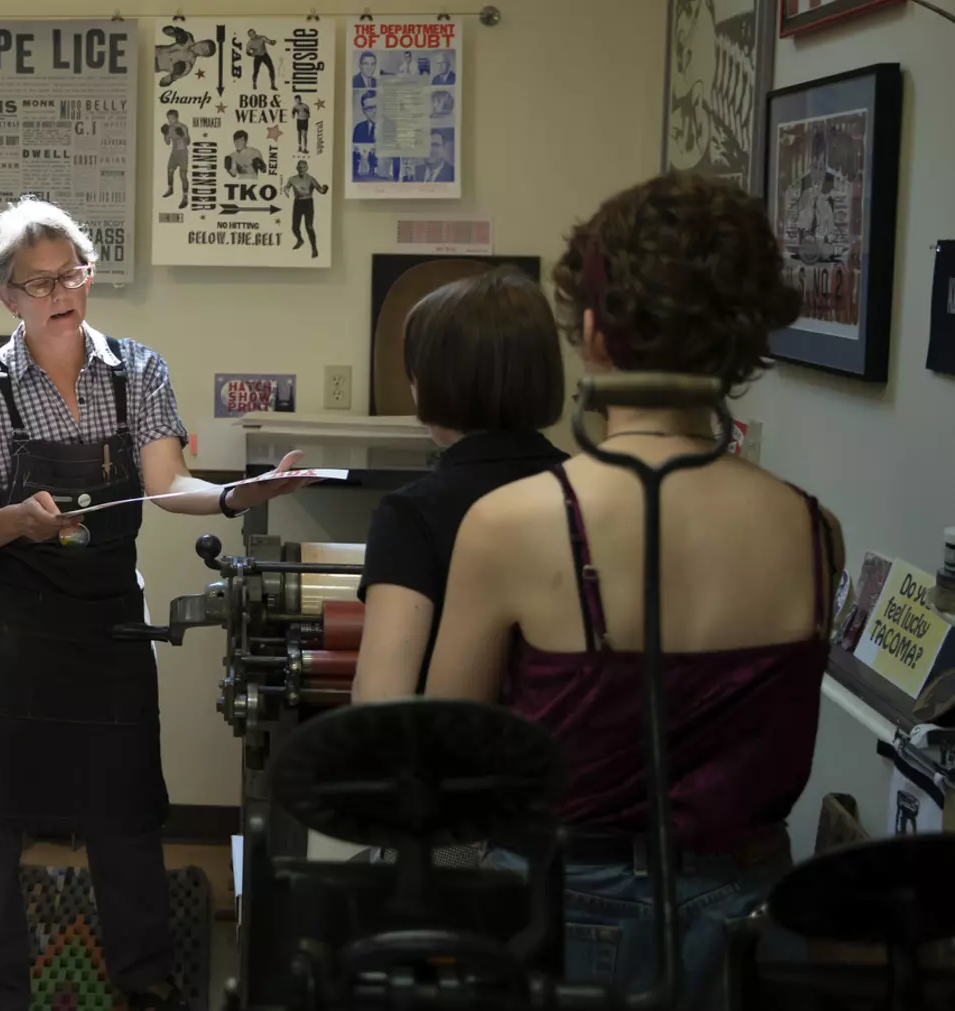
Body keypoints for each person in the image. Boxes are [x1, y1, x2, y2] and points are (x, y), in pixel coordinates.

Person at [421, 173, 843, 1006]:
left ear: (592, 330)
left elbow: (446, 761)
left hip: (567, 910)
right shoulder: (813, 528)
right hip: (758, 917)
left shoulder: (513, 523)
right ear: (739, 340)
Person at [0, 196, 316, 1011]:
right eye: (37, 282)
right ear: (6, 296)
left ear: (90, 274)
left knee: (124, 806)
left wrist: (242, 494)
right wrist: (15, 521)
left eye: (71, 273)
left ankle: (142, 976)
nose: (59, 292)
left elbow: (168, 487)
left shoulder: (137, 370)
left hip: (100, 622)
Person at [350, 269, 566, 702]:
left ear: (427, 383)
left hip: (464, 758)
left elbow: (380, 700)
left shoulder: (412, 514)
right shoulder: (593, 495)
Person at [284, 160, 329, 259]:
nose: (301, 169)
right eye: (300, 167)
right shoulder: (292, 179)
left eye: (303, 167)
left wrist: (325, 189)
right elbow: (286, 187)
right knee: (294, 227)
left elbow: (321, 190)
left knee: (309, 226)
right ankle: (300, 240)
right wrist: (286, 191)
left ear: (307, 168)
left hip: (308, 203)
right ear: (297, 168)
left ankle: (314, 248)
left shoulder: (311, 179)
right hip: (297, 203)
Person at [161, 109, 190, 204]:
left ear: (176, 118)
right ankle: (170, 189)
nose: (170, 121)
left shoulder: (183, 127)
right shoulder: (169, 128)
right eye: (168, 119)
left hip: (183, 154)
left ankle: (185, 197)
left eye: (172, 119)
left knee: (182, 176)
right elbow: (167, 142)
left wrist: (182, 135)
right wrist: (165, 134)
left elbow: (188, 142)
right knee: (169, 171)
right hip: (174, 153)